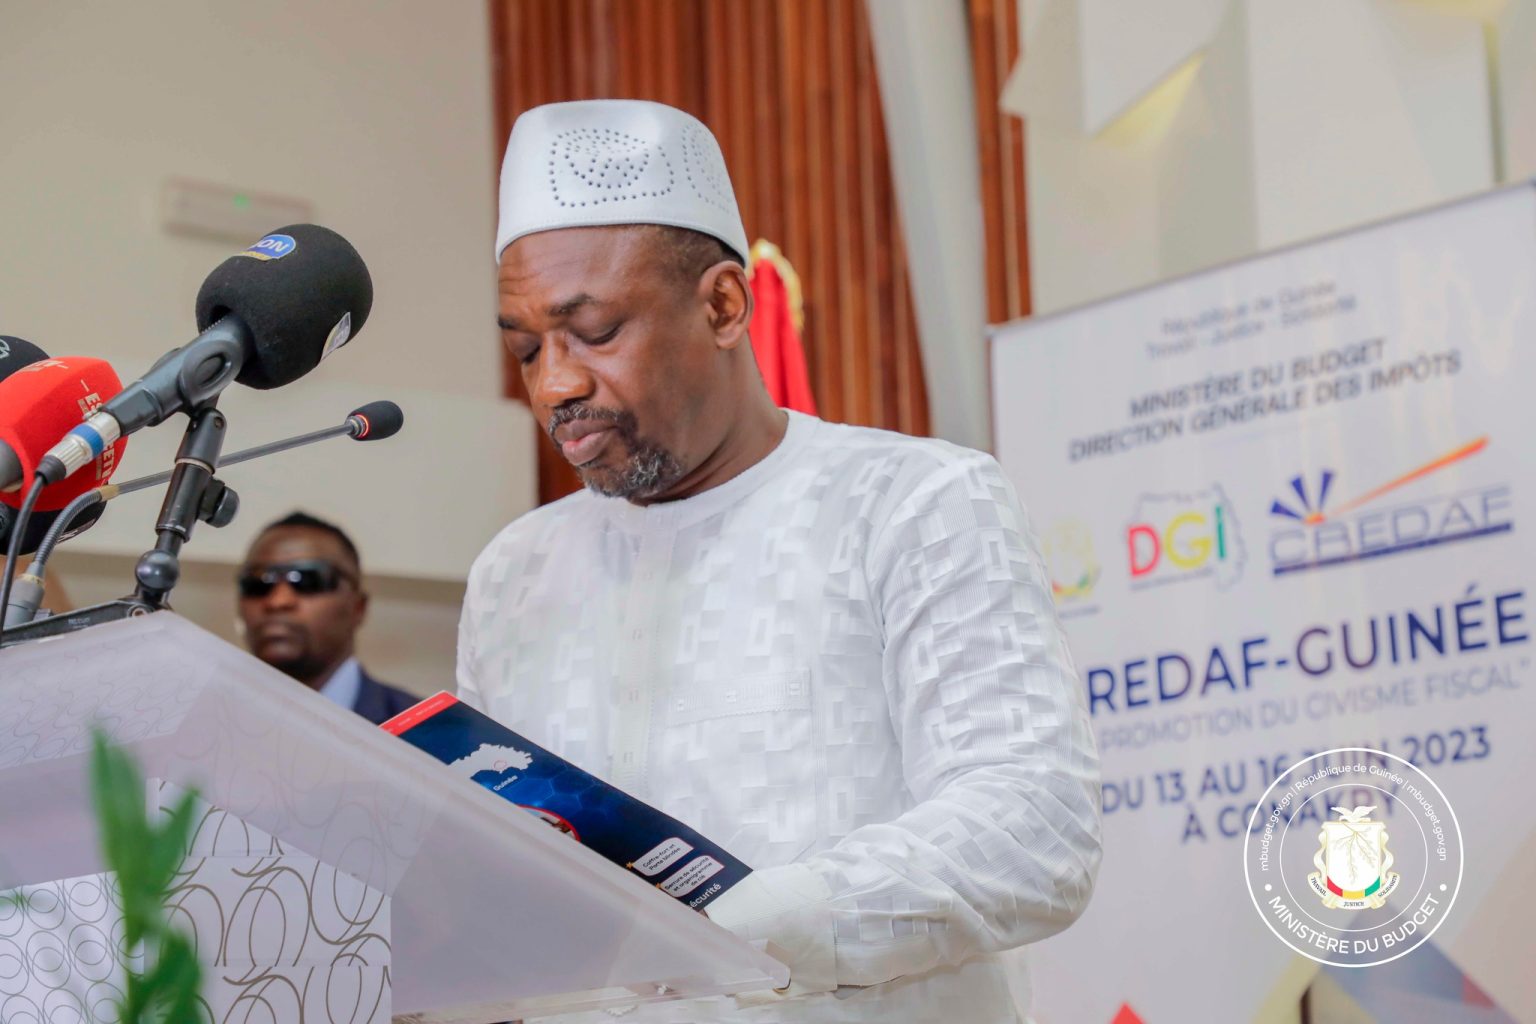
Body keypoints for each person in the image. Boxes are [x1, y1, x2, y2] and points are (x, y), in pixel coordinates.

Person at [456, 99, 1102, 1023]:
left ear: (723, 305)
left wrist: (748, 926)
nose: (556, 383)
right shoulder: (514, 574)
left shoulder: (913, 503)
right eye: (526, 349)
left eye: (594, 333)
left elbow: (1033, 828)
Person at [237, 511, 417, 725]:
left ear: (358, 607)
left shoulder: (426, 734)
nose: (278, 601)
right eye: (257, 583)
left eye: (308, 581)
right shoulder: (207, 714)